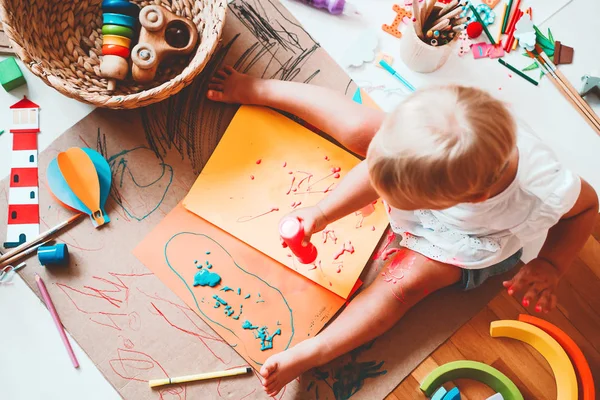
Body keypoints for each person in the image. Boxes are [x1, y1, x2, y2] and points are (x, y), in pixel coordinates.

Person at [207, 66, 599, 397]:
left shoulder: (544, 185)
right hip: (425, 162)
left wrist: (550, 264)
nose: (386, 201)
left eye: (398, 198)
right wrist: (322, 214)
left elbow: (586, 209)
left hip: (467, 241)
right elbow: (386, 166)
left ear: (471, 197)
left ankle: (316, 349)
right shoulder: (443, 121)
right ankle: (260, 88)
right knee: (361, 125)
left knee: (404, 286)